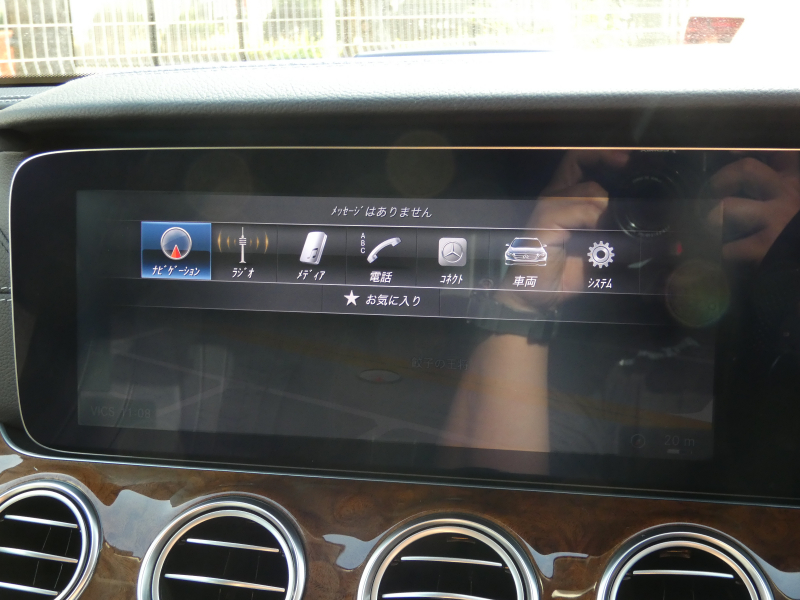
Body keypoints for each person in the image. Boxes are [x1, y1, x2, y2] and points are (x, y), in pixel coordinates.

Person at [442, 149, 800, 457]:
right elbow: (489, 498)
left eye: (747, 150)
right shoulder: (603, 357)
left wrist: (790, 265)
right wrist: (524, 300)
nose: (673, 198)